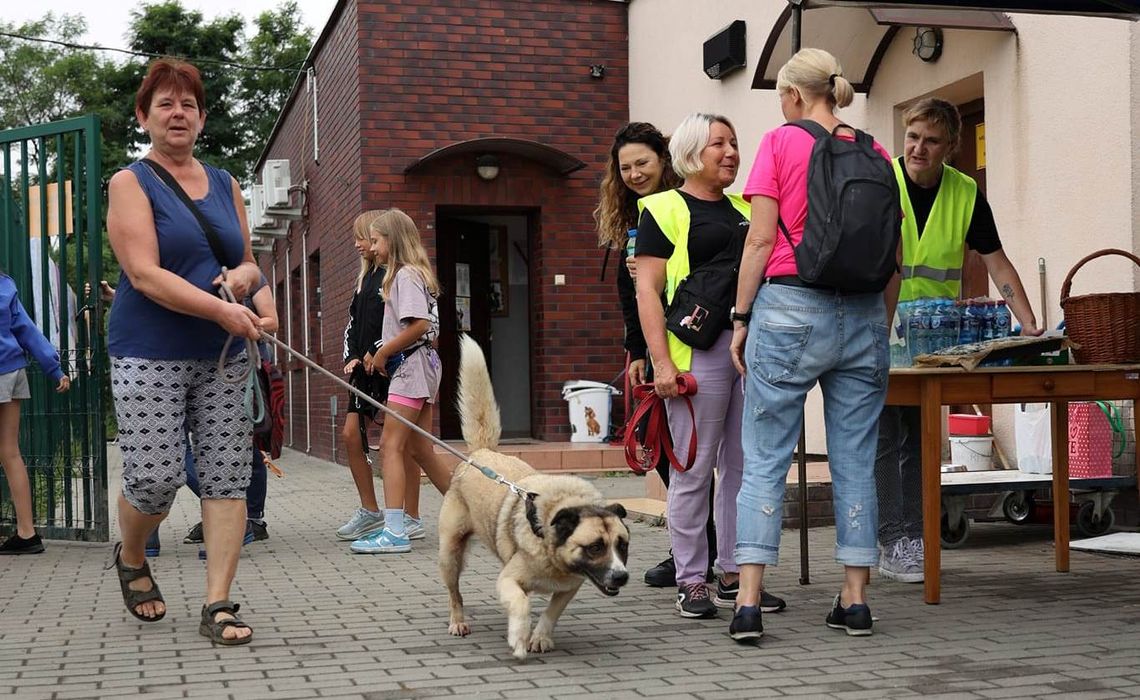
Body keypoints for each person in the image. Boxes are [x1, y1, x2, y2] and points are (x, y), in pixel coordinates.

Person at [729, 48, 894, 642]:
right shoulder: (875, 151)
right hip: (866, 316)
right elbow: (888, 253)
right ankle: (854, 601)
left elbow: (760, 238)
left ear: (795, 95)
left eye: (781, 96)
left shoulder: (780, 142)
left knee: (765, 456)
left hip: (791, 308)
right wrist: (880, 325)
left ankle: (747, 602)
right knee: (855, 461)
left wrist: (742, 315)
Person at [105, 58, 266, 644]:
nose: (179, 114)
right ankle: (131, 554)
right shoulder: (130, 182)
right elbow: (144, 275)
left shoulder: (225, 183)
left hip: (222, 356)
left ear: (202, 117)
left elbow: (246, 259)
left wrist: (247, 281)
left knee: (229, 478)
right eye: (166, 104)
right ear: (145, 116)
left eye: (189, 104)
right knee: (155, 479)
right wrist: (220, 308)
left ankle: (217, 603)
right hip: (148, 349)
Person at [874, 98, 1042, 583]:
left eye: (930, 140)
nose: (917, 148)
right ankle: (892, 540)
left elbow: (996, 261)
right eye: (911, 137)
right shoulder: (883, 180)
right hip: (879, 331)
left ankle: (914, 536)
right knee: (887, 439)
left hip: (932, 343)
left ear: (951, 147)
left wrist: (1028, 323)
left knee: (922, 440)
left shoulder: (965, 192)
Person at [635, 113, 785, 620]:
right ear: (692, 152)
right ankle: (691, 578)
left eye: (735, 143)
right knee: (695, 470)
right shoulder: (662, 208)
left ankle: (733, 575)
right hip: (695, 354)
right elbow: (648, 292)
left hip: (749, 351)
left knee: (742, 467)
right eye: (719, 144)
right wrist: (659, 363)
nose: (731, 153)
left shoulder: (748, 208)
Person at [593, 122, 707, 588]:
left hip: (692, 342)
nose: (635, 173)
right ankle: (692, 549)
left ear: (664, 160)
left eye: (643, 163)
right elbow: (630, 290)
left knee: (692, 454)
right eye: (625, 168)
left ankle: (704, 553)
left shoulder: (682, 207)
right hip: (650, 345)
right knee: (663, 450)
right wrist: (635, 349)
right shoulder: (632, 216)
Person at [350, 208, 453, 554]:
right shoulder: (413, 273)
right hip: (421, 366)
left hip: (410, 370)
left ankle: (394, 530)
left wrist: (383, 354)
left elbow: (418, 326)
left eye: (376, 241)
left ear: (393, 241)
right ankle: (471, 510)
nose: (373, 248)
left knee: (391, 447)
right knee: (420, 448)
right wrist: (379, 350)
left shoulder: (404, 275)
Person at [335, 211, 426, 543]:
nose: (359, 245)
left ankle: (409, 516)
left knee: (404, 445)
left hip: (394, 366)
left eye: (365, 238)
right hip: (365, 370)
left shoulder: (398, 275)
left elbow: (401, 323)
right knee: (350, 434)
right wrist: (353, 355)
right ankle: (370, 510)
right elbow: (353, 323)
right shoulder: (365, 278)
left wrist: (382, 351)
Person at [0, 270, 71, 554]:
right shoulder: (6, 282)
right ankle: (27, 533)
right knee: (10, 452)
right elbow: (25, 327)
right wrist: (53, 368)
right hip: (14, 369)